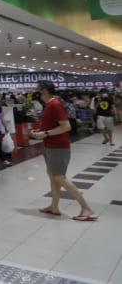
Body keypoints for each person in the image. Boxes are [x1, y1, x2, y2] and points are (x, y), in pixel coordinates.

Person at [32, 81, 96, 221]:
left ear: (44, 91)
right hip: (50, 145)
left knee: (59, 177)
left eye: (37, 89)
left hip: (58, 147)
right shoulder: (49, 105)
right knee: (53, 175)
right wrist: (42, 131)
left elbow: (66, 126)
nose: (34, 92)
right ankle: (54, 206)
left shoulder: (54, 104)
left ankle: (86, 207)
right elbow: (55, 125)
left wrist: (46, 133)